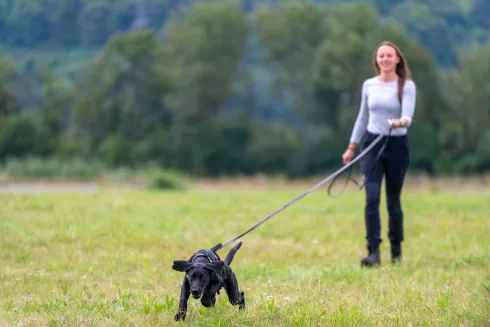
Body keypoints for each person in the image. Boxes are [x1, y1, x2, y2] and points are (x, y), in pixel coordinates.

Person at [342, 41, 416, 267]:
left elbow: (408, 117)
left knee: (393, 201)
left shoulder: (406, 86)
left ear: (397, 60)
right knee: (371, 198)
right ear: (376, 60)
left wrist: (399, 122)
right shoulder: (369, 85)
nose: (384, 59)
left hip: (396, 145)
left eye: (389, 56)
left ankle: (396, 250)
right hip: (371, 145)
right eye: (381, 56)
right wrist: (352, 147)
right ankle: (373, 251)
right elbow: (362, 118)